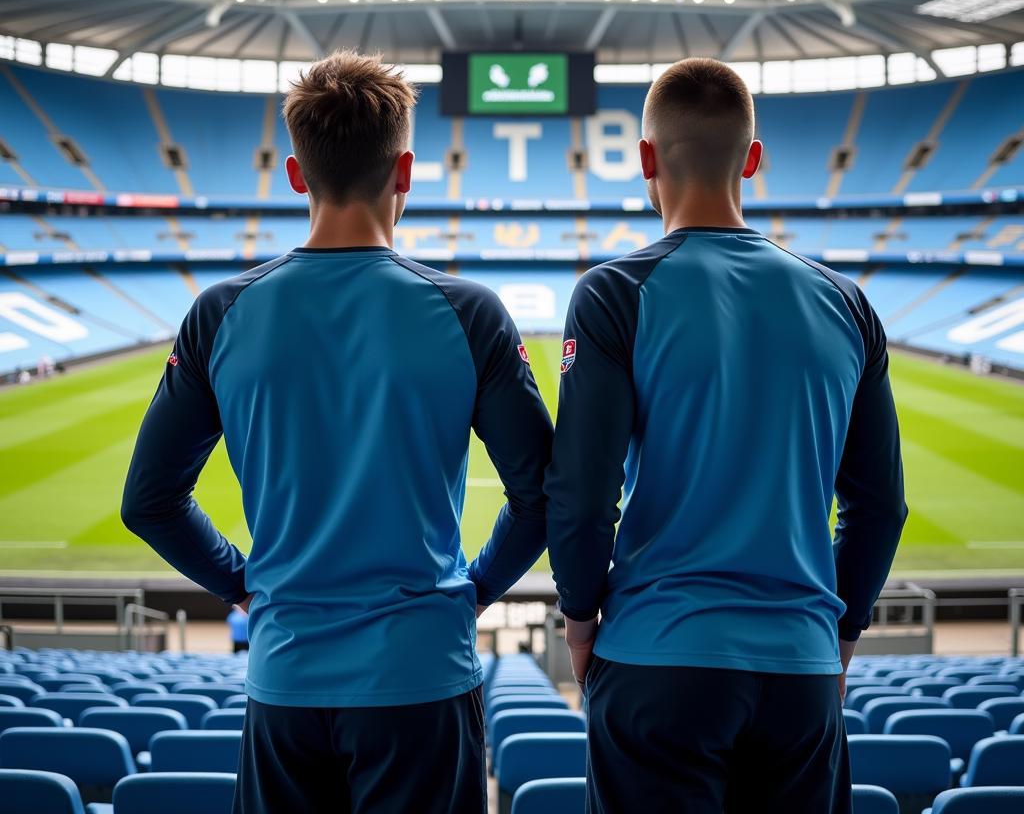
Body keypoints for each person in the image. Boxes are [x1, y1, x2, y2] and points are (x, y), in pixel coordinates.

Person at [122, 51, 552, 814]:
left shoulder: (222, 313)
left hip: (285, 678)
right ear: (407, 171)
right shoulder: (469, 312)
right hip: (423, 676)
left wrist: (241, 582)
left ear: (296, 174)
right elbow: (543, 493)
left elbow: (150, 500)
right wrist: (477, 588)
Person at [545, 58, 907, 814]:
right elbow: (879, 508)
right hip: (800, 674)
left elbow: (581, 495)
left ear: (645, 160)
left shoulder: (612, 294)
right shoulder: (849, 304)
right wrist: (837, 636)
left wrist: (579, 620)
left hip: (656, 661)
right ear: (753, 159)